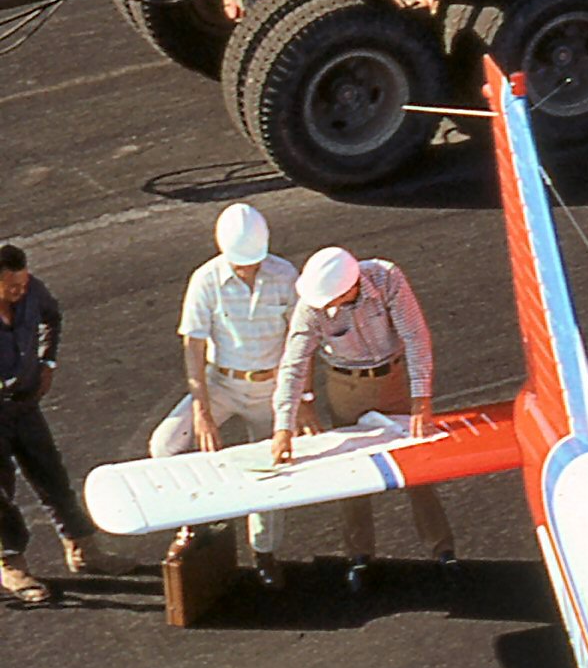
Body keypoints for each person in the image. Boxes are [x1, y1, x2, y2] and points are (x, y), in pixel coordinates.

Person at [272, 244, 454, 590]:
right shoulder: (311, 305)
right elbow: (294, 364)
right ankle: (359, 557)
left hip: (394, 382)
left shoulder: (387, 278)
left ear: (350, 288)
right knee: (353, 475)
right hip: (346, 389)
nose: (324, 309)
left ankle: (443, 550)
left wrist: (420, 401)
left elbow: (415, 337)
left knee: (418, 470)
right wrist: (284, 426)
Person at [149, 202, 298, 590]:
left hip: (272, 387)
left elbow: (301, 343)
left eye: (253, 262)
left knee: (273, 471)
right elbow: (194, 346)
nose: (248, 269)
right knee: (165, 445)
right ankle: (195, 522)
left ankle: (264, 552)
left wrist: (302, 400)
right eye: (240, 264)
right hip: (222, 384)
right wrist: (202, 411)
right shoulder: (205, 280)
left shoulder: (285, 276)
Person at [0, 243, 100, 607]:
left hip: (25, 404)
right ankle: (10, 563)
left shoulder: (32, 291)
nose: (21, 291)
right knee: (1, 495)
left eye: (23, 284)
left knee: (53, 477)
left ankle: (82, 548)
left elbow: (51, 317)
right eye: (12, 287)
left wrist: (48, 362)